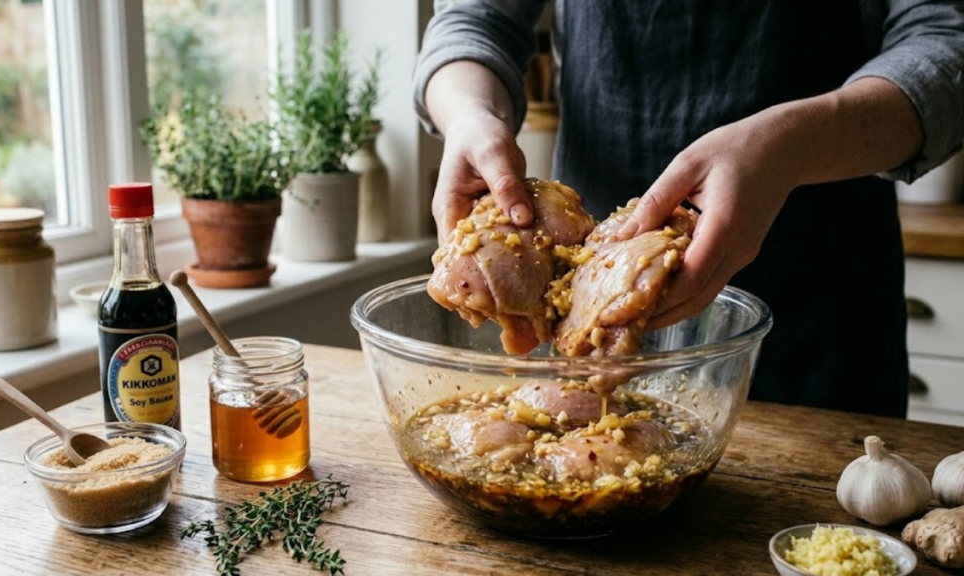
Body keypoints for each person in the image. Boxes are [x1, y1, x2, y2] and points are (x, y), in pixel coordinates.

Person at [412, 1, 964, 418]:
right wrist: (468, 113)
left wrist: (792, 146)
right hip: (579, 293)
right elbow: (474, 17)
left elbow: (946, 40)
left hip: (821, 304)